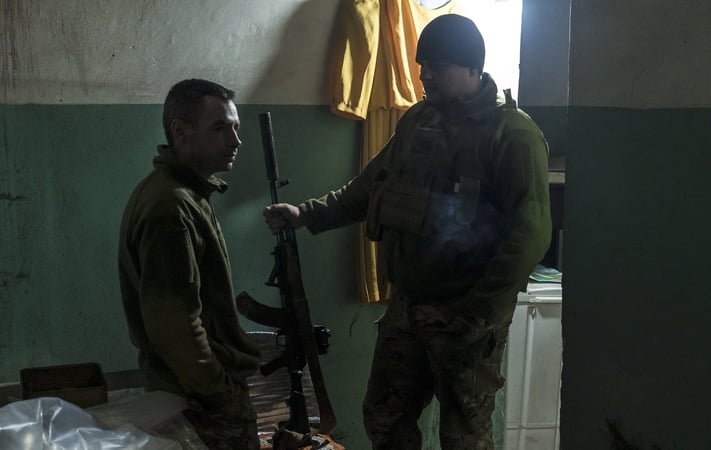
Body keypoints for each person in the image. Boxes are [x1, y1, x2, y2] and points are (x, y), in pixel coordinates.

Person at [265, 14, 552, 450]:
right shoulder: (419, 120)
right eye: (422, 65)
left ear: (473, 69)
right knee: (385, 418)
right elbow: (371, 186)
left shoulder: (512, 135)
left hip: (465, 315)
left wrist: (477, 312)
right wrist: (305, 214)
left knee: (464, 436)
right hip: (408, 308)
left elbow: (529, 234)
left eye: (438, 65)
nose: (426, 75)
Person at [118, 79, 261, 450]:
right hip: (198, 405)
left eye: (235, 127)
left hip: (192, 396)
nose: (235, 140)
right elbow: (176, 325)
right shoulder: (171, 206)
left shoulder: (184, 194)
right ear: (181, 131)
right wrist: (220, 393)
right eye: (220, 128)